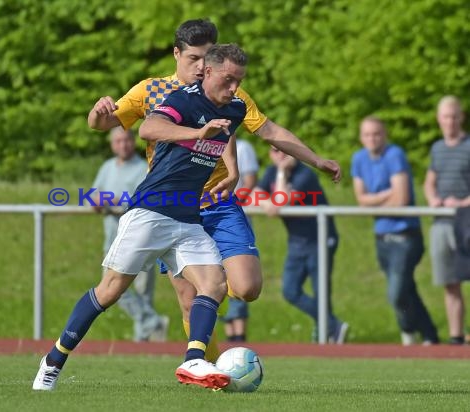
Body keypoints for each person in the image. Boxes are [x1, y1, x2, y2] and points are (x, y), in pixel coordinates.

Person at [87, 19, 341, 361]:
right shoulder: (151, 90)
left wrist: (312, 159)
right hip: (173, 207)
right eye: (194, 58)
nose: (201, 66)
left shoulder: (226, 88)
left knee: (247, 287)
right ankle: (205, 370)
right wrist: (97, 112)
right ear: (177, 53)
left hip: (217, 201)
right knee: (190, 302)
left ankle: (214, 283)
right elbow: (105, 124)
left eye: (207, 58)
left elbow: (257, 129)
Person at [33, 43, 249, 392]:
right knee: (109, 292)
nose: (235, 88)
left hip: (188, 220)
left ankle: (193, 359)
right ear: (208, 72)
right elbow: (148, 129)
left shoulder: (234, 107)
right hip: (150, 212)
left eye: (239, 80)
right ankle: (53, 360)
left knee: (214, 285)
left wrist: (234, 169)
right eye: (228, 80)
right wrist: (198, 133)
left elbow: (230, 129)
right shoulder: (183, 100)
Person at [353, 116, 439, 345]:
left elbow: (401, 198)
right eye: (367, 134)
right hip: (382, 236)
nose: (372, 139)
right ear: (361, 137)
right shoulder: (359, 159)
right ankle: (430, 335)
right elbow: (361, 200)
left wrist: (376, 201)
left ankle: (407, 331)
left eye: (377, 134)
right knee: (407, 290)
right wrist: (386, 195)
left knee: (397, 292)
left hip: (406, 235)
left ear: (385, 135)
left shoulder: (394, 154)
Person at [253, 146, 348, 343]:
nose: (280, 155)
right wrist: (269, 202)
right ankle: (331, 325)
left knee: (321, 291)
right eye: (274, 151)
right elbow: (254, 194)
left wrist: (280, 176)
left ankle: (326, 332)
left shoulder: (305, 174)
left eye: (284, 151)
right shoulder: (270, 171)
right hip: (297, 242)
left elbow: (280, 204)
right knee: (290, 290)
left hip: (319, 239)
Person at [91, 126, 169, 342]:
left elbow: (145, 200)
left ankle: (142, 343)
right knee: (116, 289)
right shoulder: (107, 167)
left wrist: (114, 201)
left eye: (126, 140)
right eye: (118, 141)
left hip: (140, 239)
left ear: (132, 142)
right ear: (112, 144)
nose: (123, 145)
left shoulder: (144, 167)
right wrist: (95, 201)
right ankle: (152, 322)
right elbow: (94, 194)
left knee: (143, 292)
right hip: (113, 239)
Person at [423, 96, 470, 345]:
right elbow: (430, 182)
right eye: (445, 117)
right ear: (439, 119)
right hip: (442, 222)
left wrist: (462, 202)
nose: (449, 122)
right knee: (449, 281)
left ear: (460, 118)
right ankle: (456, 336)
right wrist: (433, 198)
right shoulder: (437, 148)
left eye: (453, 116)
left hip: (466, 220)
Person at [220, 138, 259, 342]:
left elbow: (250, 180)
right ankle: (227, 332)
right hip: (207, 216)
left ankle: (239, 334)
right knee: (214, 277)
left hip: (232, 215)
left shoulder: (244, 147)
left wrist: (230, 202)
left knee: (241, 277)